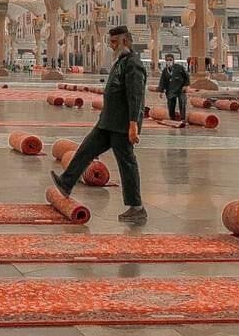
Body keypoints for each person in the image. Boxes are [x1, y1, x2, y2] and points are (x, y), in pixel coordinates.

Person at [50, 25, 148, 224]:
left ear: (125, 41)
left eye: (114, 42)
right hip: (107, 122)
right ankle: (67, 182)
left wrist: (133, 124)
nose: (111, 46)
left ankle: (136, 207)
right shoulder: (121, 62)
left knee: (126, 163)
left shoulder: (133, 64)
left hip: (121, 125)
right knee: (86, 149)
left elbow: (135, 96)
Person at [158, 53, 189, 128]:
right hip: (170, 90)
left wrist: (186, 85)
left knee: (182, 102)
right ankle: (172, 118)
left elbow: (186, 76)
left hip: (180, 89)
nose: (169, 61)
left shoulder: (180, 68)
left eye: (170, 60)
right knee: (171, 104)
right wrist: (161, 91)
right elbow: (163, 81)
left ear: (173, 60)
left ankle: (183, 118)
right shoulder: (165, 71)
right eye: (167, 60)